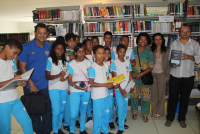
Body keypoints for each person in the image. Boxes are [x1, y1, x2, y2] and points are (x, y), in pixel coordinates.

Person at [18, 23, 52, 134]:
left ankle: (47, 130)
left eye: (44, 33)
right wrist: (32, 84)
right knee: (33, 110)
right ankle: (39, 131)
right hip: (29, 85)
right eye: (39, 33)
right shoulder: (26, 47)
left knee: (47, 110)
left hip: (46, 85)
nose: (42, 35)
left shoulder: (49, 47)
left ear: (47, 34)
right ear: (35, 33)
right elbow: (22, 68)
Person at [165, 25, 200, 128]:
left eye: (187, 31)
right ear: (179, 33)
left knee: (185, 99)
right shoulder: (174, 43)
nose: (185, 33)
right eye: (183, 31)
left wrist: (189, 57)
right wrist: (171, 64)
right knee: (172, 98)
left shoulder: (195, 44)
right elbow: (170, 58)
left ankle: (182, 119)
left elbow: (199, 58)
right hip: (175, 75)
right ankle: (170, 118)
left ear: (190, 32)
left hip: (188, 76)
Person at [0, 38, 33, 134]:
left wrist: (20, 81)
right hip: (2, 102)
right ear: (6, 47)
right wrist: (12, 80)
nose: (15, 56)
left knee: (27, 122)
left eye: (17, 54)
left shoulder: (11, 61)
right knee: (5, 129)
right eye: (14, 53)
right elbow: (11, 79)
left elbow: (13, 76)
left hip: (14, 98)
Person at [89, 45, 114, 134]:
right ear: (94, 55)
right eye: (99, 53)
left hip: (105, 94)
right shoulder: (93, 67)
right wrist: (106, 84)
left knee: (105, 113)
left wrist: (114, 83)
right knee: (97, 115)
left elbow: (107, 79)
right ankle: (95, 132)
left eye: (103, 53)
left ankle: (105, 130)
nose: (102, 55)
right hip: (97, 96)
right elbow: (91, 83)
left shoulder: (106, 66)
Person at [67, 43, 91, 134]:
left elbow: (91, 77)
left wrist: (88, 86)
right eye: (79, 52)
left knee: (83, 111)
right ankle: (72, 130)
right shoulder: (71, 64)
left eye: (83, 51)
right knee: (73, 114)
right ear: (75, 53)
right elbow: (69, 80)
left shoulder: (89, 63)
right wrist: (75, 86)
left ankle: (82, 129)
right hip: (75, 90)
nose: (81, 54)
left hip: (86, 90)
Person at [130, 33, 154, 123]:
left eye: (145, 40)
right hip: (134, 77)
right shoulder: (132, 50)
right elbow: (128, 63)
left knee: (145, 97)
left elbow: (151, 66)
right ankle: (135, 112)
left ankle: (145, 114)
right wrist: (132, 72)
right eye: (141, 39)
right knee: (134, 96)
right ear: (138, 40)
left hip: (145, 77)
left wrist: (141, 74)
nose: (143, 41)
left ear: (147, 41)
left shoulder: (149, 53)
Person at [46, 40, 68, 134]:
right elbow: (47, 76)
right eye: (58, 48)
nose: (60, 51)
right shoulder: (50, 60)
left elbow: (68, 72)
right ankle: (55, 131)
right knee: (56, 111)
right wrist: (58, 75)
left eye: (62, 49)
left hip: (64, 87)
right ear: (54, 49)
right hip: (54, 88)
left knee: (62, 110)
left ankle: (59, 128)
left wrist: (65, 76)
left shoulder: (66, 59)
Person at [111, 44, 133, 134]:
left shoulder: (128, 62)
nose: (122, 53)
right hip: (119, 89)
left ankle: (122, 123)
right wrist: (121, 89)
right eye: (120, 51)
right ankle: (120, 128)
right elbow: (115, 78)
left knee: (124, 108)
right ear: (116, 52)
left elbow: (130, 75)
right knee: (120, 108)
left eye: (124, 52)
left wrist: (130, 86)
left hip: (126, 89)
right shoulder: (114, 62)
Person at [150, 33, 171, 119]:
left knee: (161, 94)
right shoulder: (150, 49)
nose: (158, 41)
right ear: (154, 41)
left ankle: (160, 112)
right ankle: (154, 111)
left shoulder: (167, 50)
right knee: (154, 94)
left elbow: (169, 65)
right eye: (156, 39)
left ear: (162, 40)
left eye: (160, 39)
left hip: (162, 74)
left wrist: (167, 77)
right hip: (152, 74)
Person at [63, 33, 80, 131]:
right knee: (68, 103)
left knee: (76, 102)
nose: (72, 43)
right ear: (66, 42)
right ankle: (67, 123)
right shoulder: (63, 52)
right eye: (70, 41)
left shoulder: (78, 51)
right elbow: (63, 66)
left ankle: (75, 119)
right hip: (68, 80)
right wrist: (69, 60)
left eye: (74, 40)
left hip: (78, 80)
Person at [103, 47, 115, 130]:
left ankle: (110, 121)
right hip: (102, 87)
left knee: (110, 106)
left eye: (108, 53)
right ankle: (104, 121)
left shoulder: (112, 63)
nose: (107, 55)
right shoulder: (99, 63)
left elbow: (116, 75)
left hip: (110, 86)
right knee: (103, 105)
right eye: (105, 53)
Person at [83, 39, 94, 122]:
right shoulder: (83, 56)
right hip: (86, 80)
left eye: (92, 44)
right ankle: (89, 115)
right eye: (89, 44)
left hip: (94, 79)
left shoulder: (94, 54)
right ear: (85, 46)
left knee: (92, 98)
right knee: (88, 99)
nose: (91, 46)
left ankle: (91, 113)